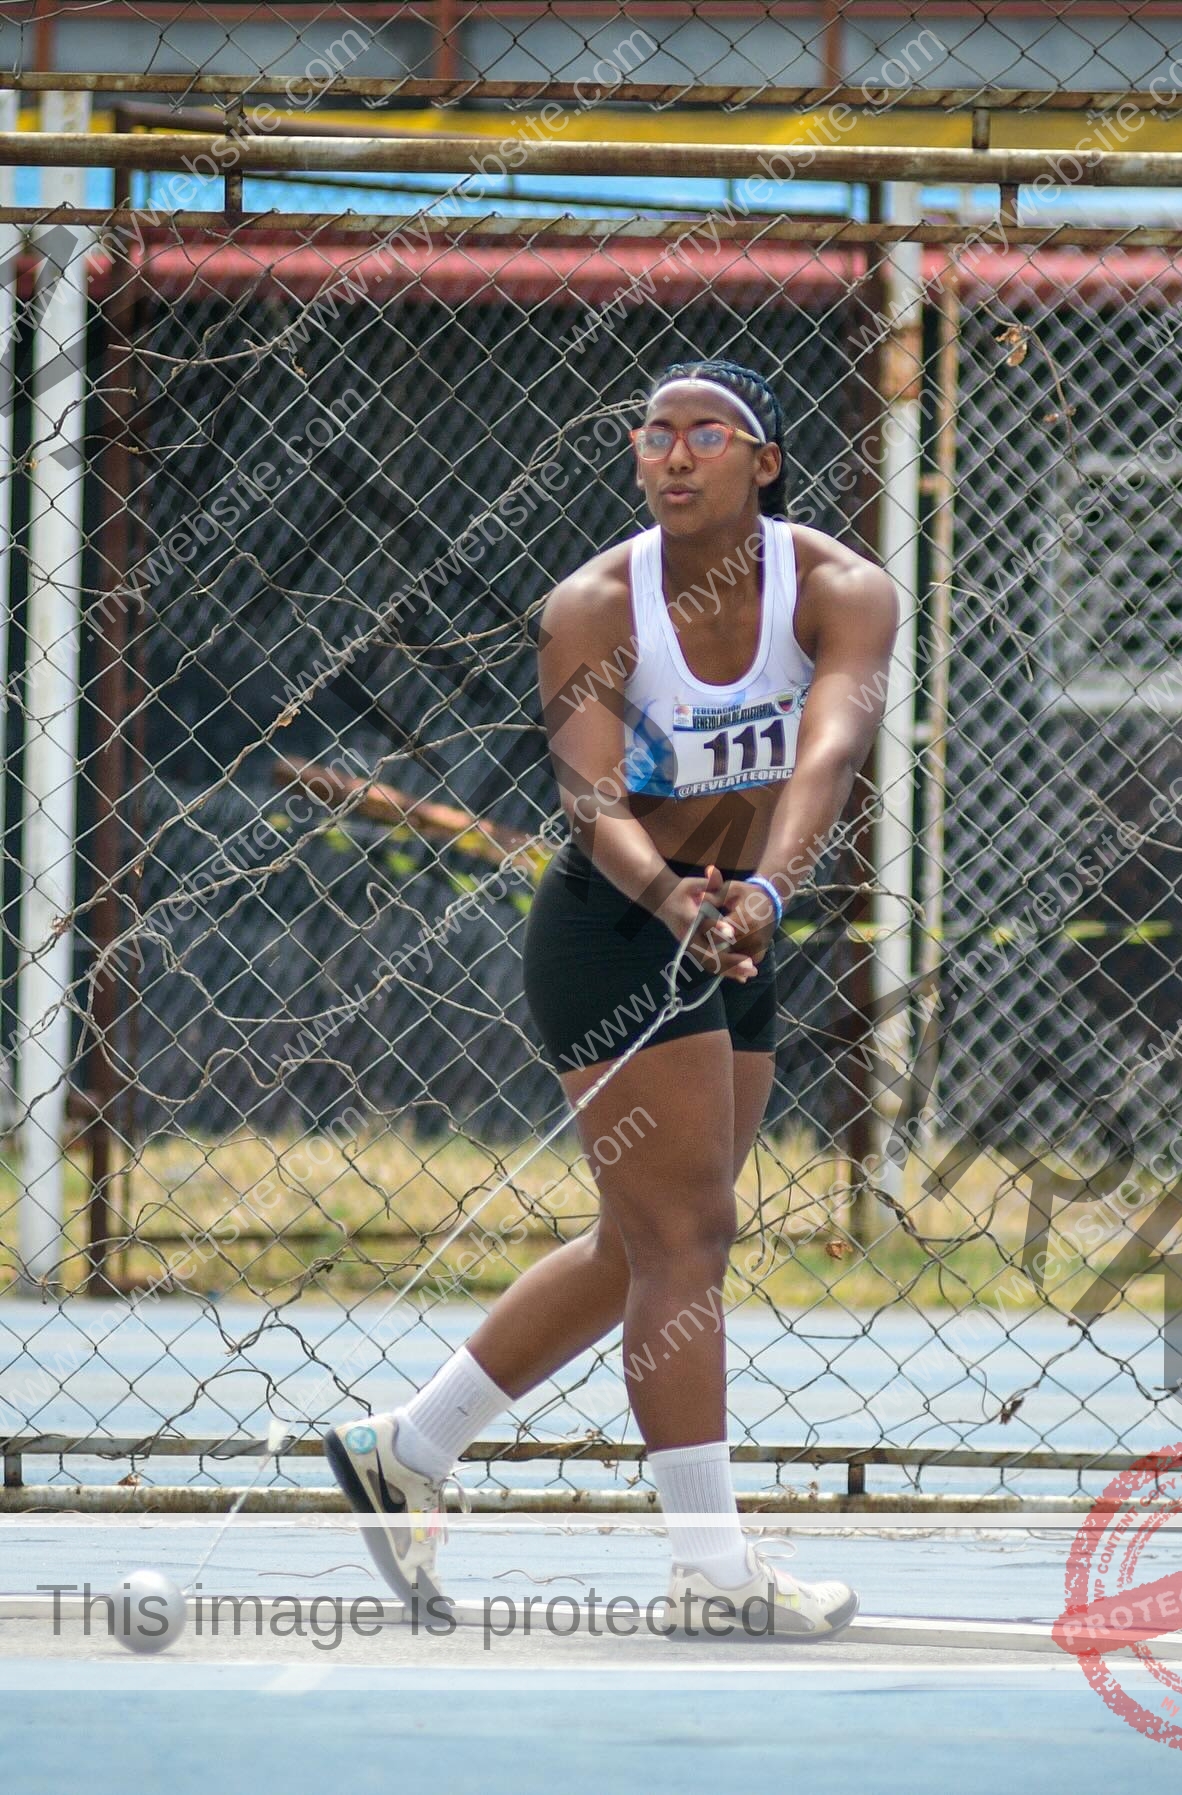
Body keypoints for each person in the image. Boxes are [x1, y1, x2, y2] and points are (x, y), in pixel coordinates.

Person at [326, 357, 898, 1639]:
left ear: (767, 462)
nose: (674, 453)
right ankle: (712, 1572)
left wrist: (764, 899)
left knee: (647, 1236)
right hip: (619, 928)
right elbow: (591, 801)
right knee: (688, 1235)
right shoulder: (593, 605)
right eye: (653, 434)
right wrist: (677, 904)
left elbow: (832, 750)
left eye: (709, 432)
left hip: (744, 922)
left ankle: (407, 1448)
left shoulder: (842, 590)